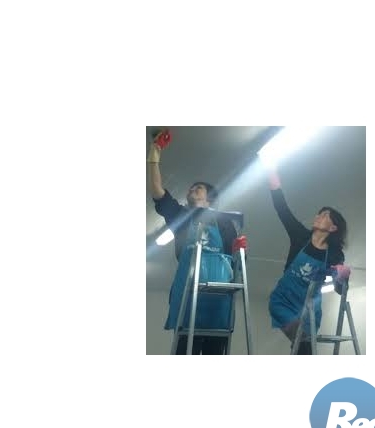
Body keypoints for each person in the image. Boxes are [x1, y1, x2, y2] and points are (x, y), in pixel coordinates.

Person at [147, 130, 245, 355]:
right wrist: (154, 155)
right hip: (187, 297)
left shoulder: (224, 222)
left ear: (209, 199)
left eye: (198, 188)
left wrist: (241, 252)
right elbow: (158, 192)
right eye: (192, 187)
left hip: (217, 301)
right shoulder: (180, 216)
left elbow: (236, 261)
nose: (192, 189)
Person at [266, 166, 351, 355]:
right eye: (319, 213)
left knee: (302, 348)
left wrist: (342, 276)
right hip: (283, 301)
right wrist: (271, 171)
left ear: (333, 228)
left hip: (310, 310)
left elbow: (340, 290)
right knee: (303, 343)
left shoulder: (335, 254)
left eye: (325, 215)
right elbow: (282, 208)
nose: (318, 216)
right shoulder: (299, 236)